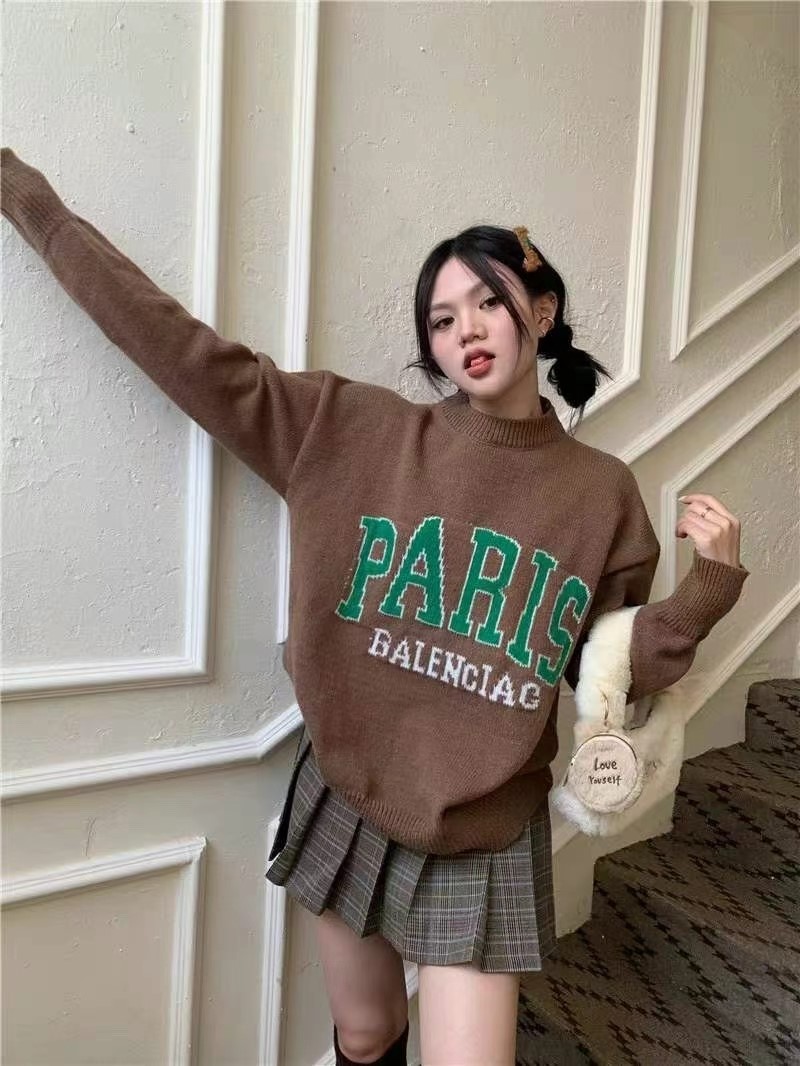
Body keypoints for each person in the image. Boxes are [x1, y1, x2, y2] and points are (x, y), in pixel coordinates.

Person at [1, 147, 748, 1066]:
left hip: (483, 824)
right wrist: (29, 201)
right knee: (364, 1033)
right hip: (350, 792)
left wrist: (707, 589)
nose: (466, 329)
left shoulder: (601, 494)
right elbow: (178, 349)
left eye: (487, 300)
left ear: (541, 310)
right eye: (441, 318)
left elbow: (606, 670)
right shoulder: (353, 432)